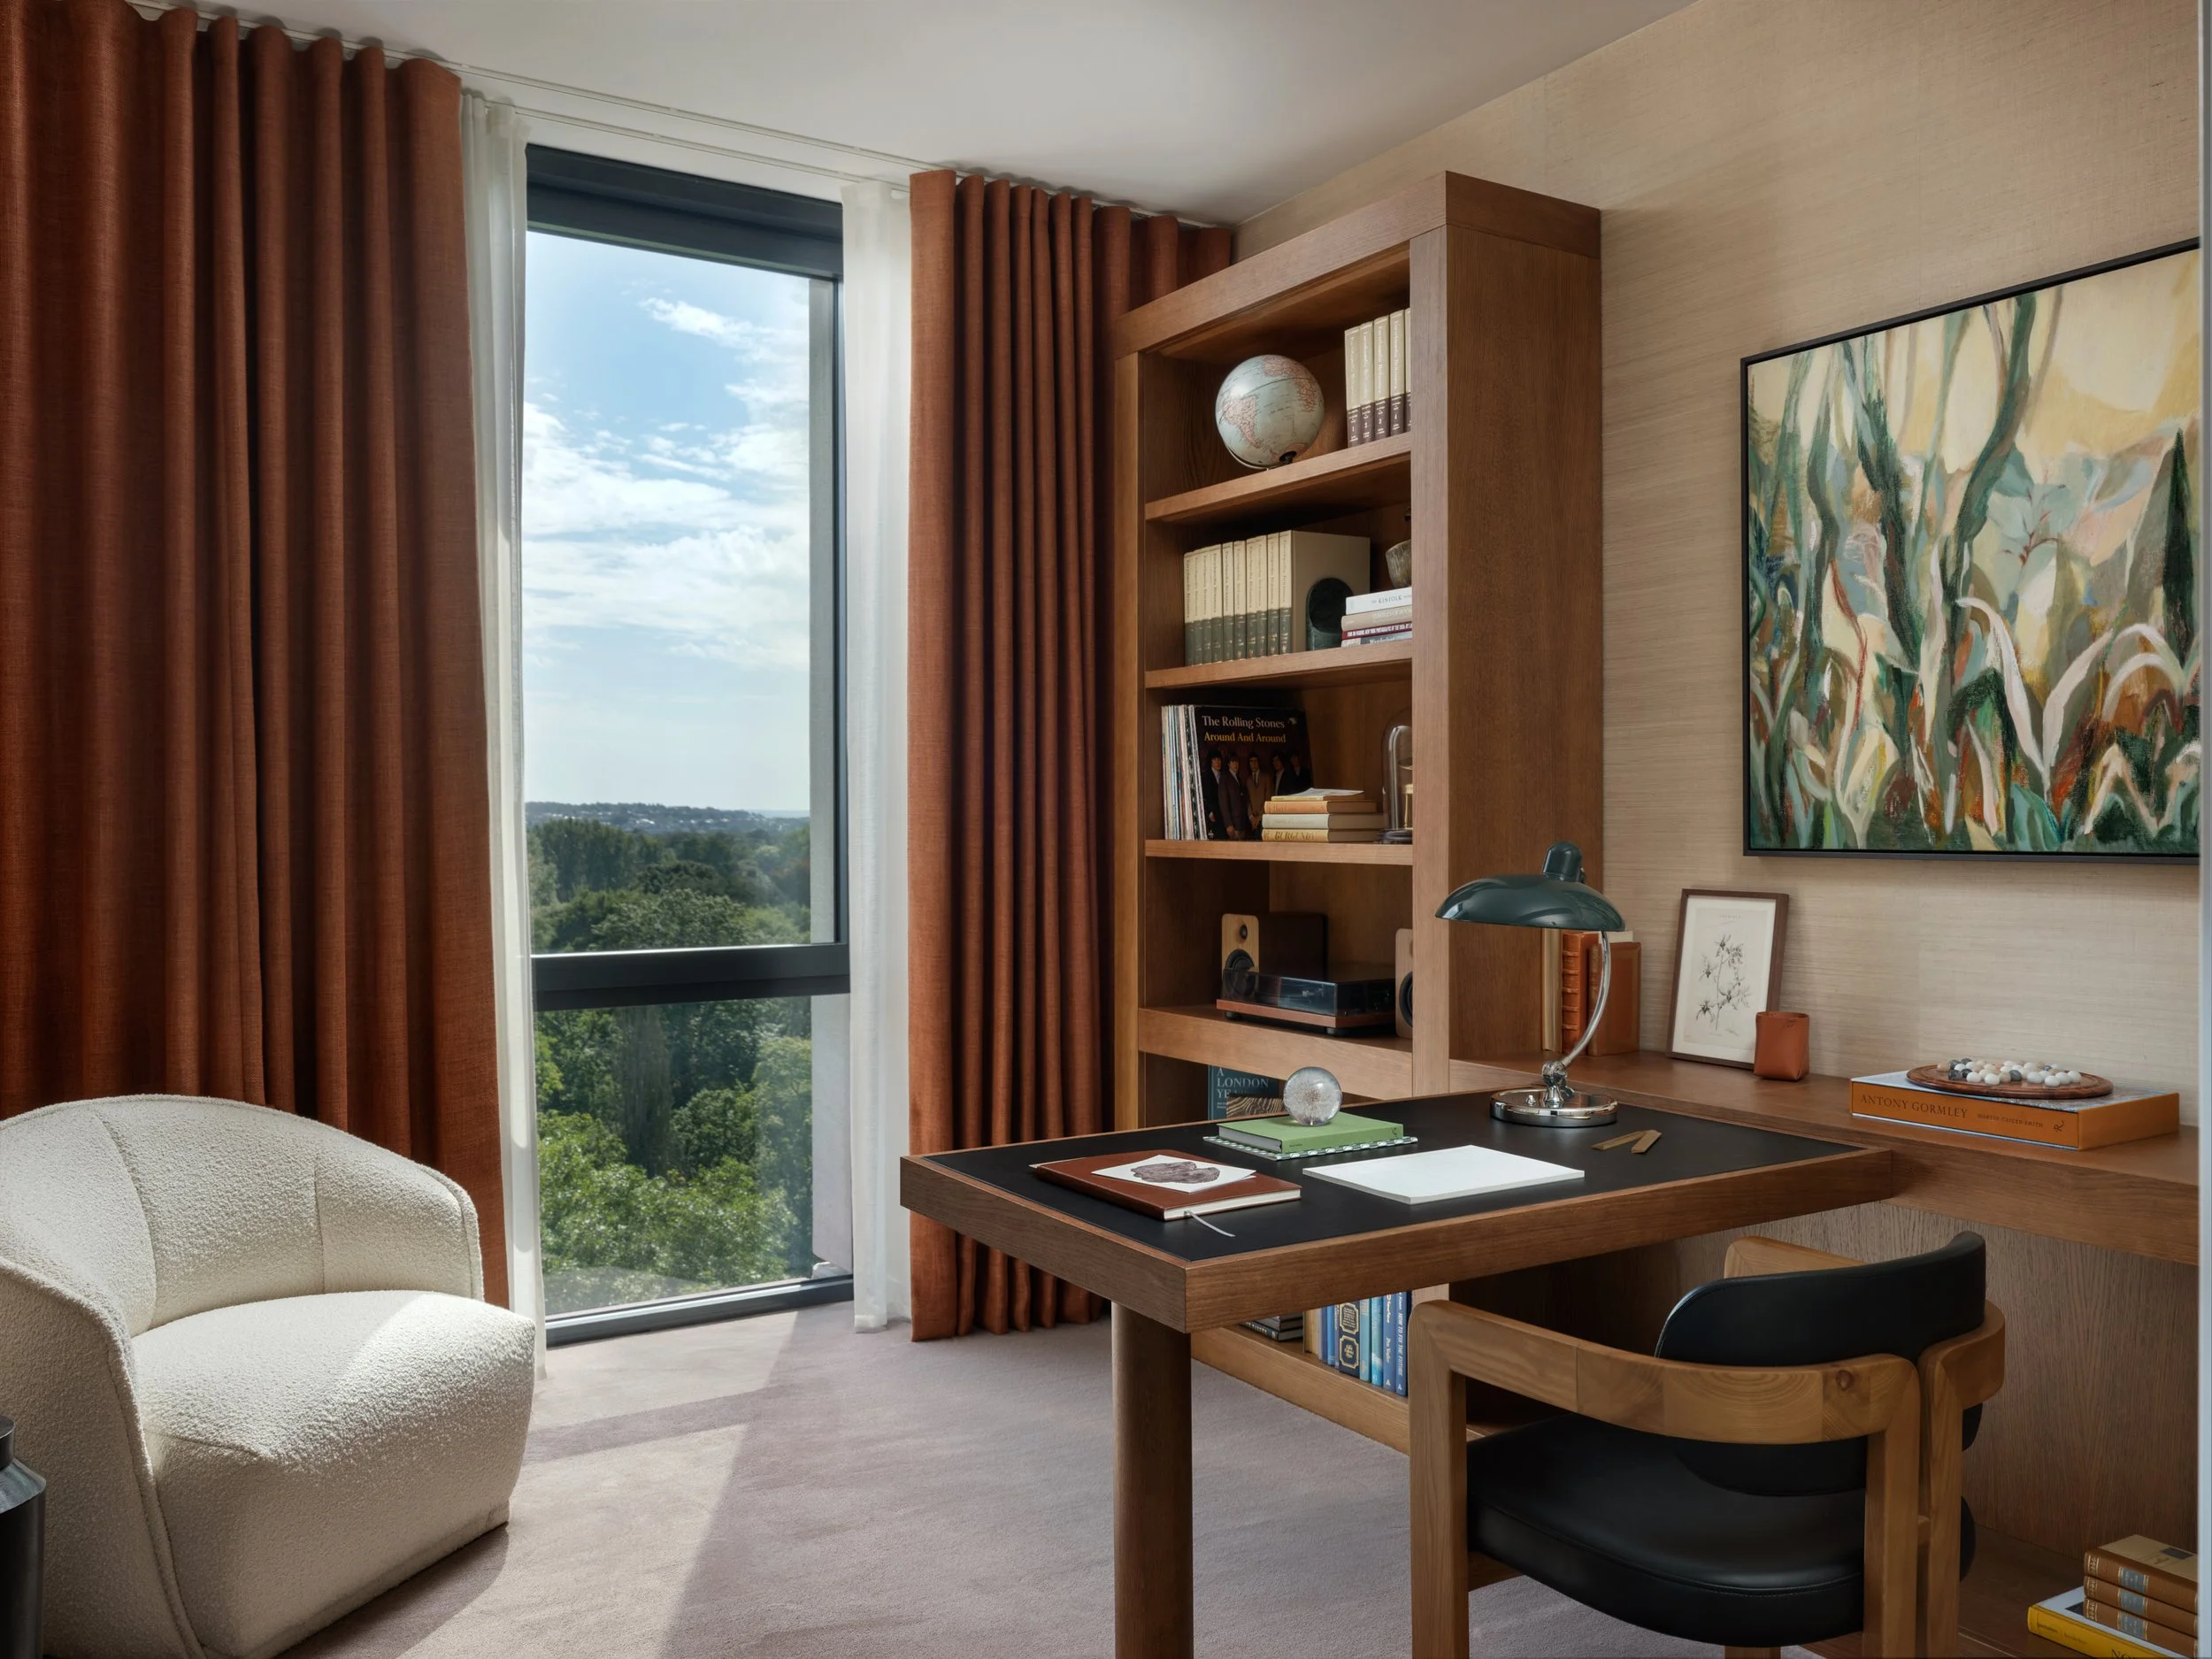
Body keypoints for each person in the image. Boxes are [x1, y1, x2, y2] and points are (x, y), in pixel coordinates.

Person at [1219, 755, 1251, 840]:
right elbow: (1223, 803)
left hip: (1242, 823)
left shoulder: (1239, 779)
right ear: (1228, 764)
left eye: (1237, 761)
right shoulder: (1224, 778)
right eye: (1233, 762)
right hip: (1233, 824)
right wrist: (1228, 824)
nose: (1235, 764)